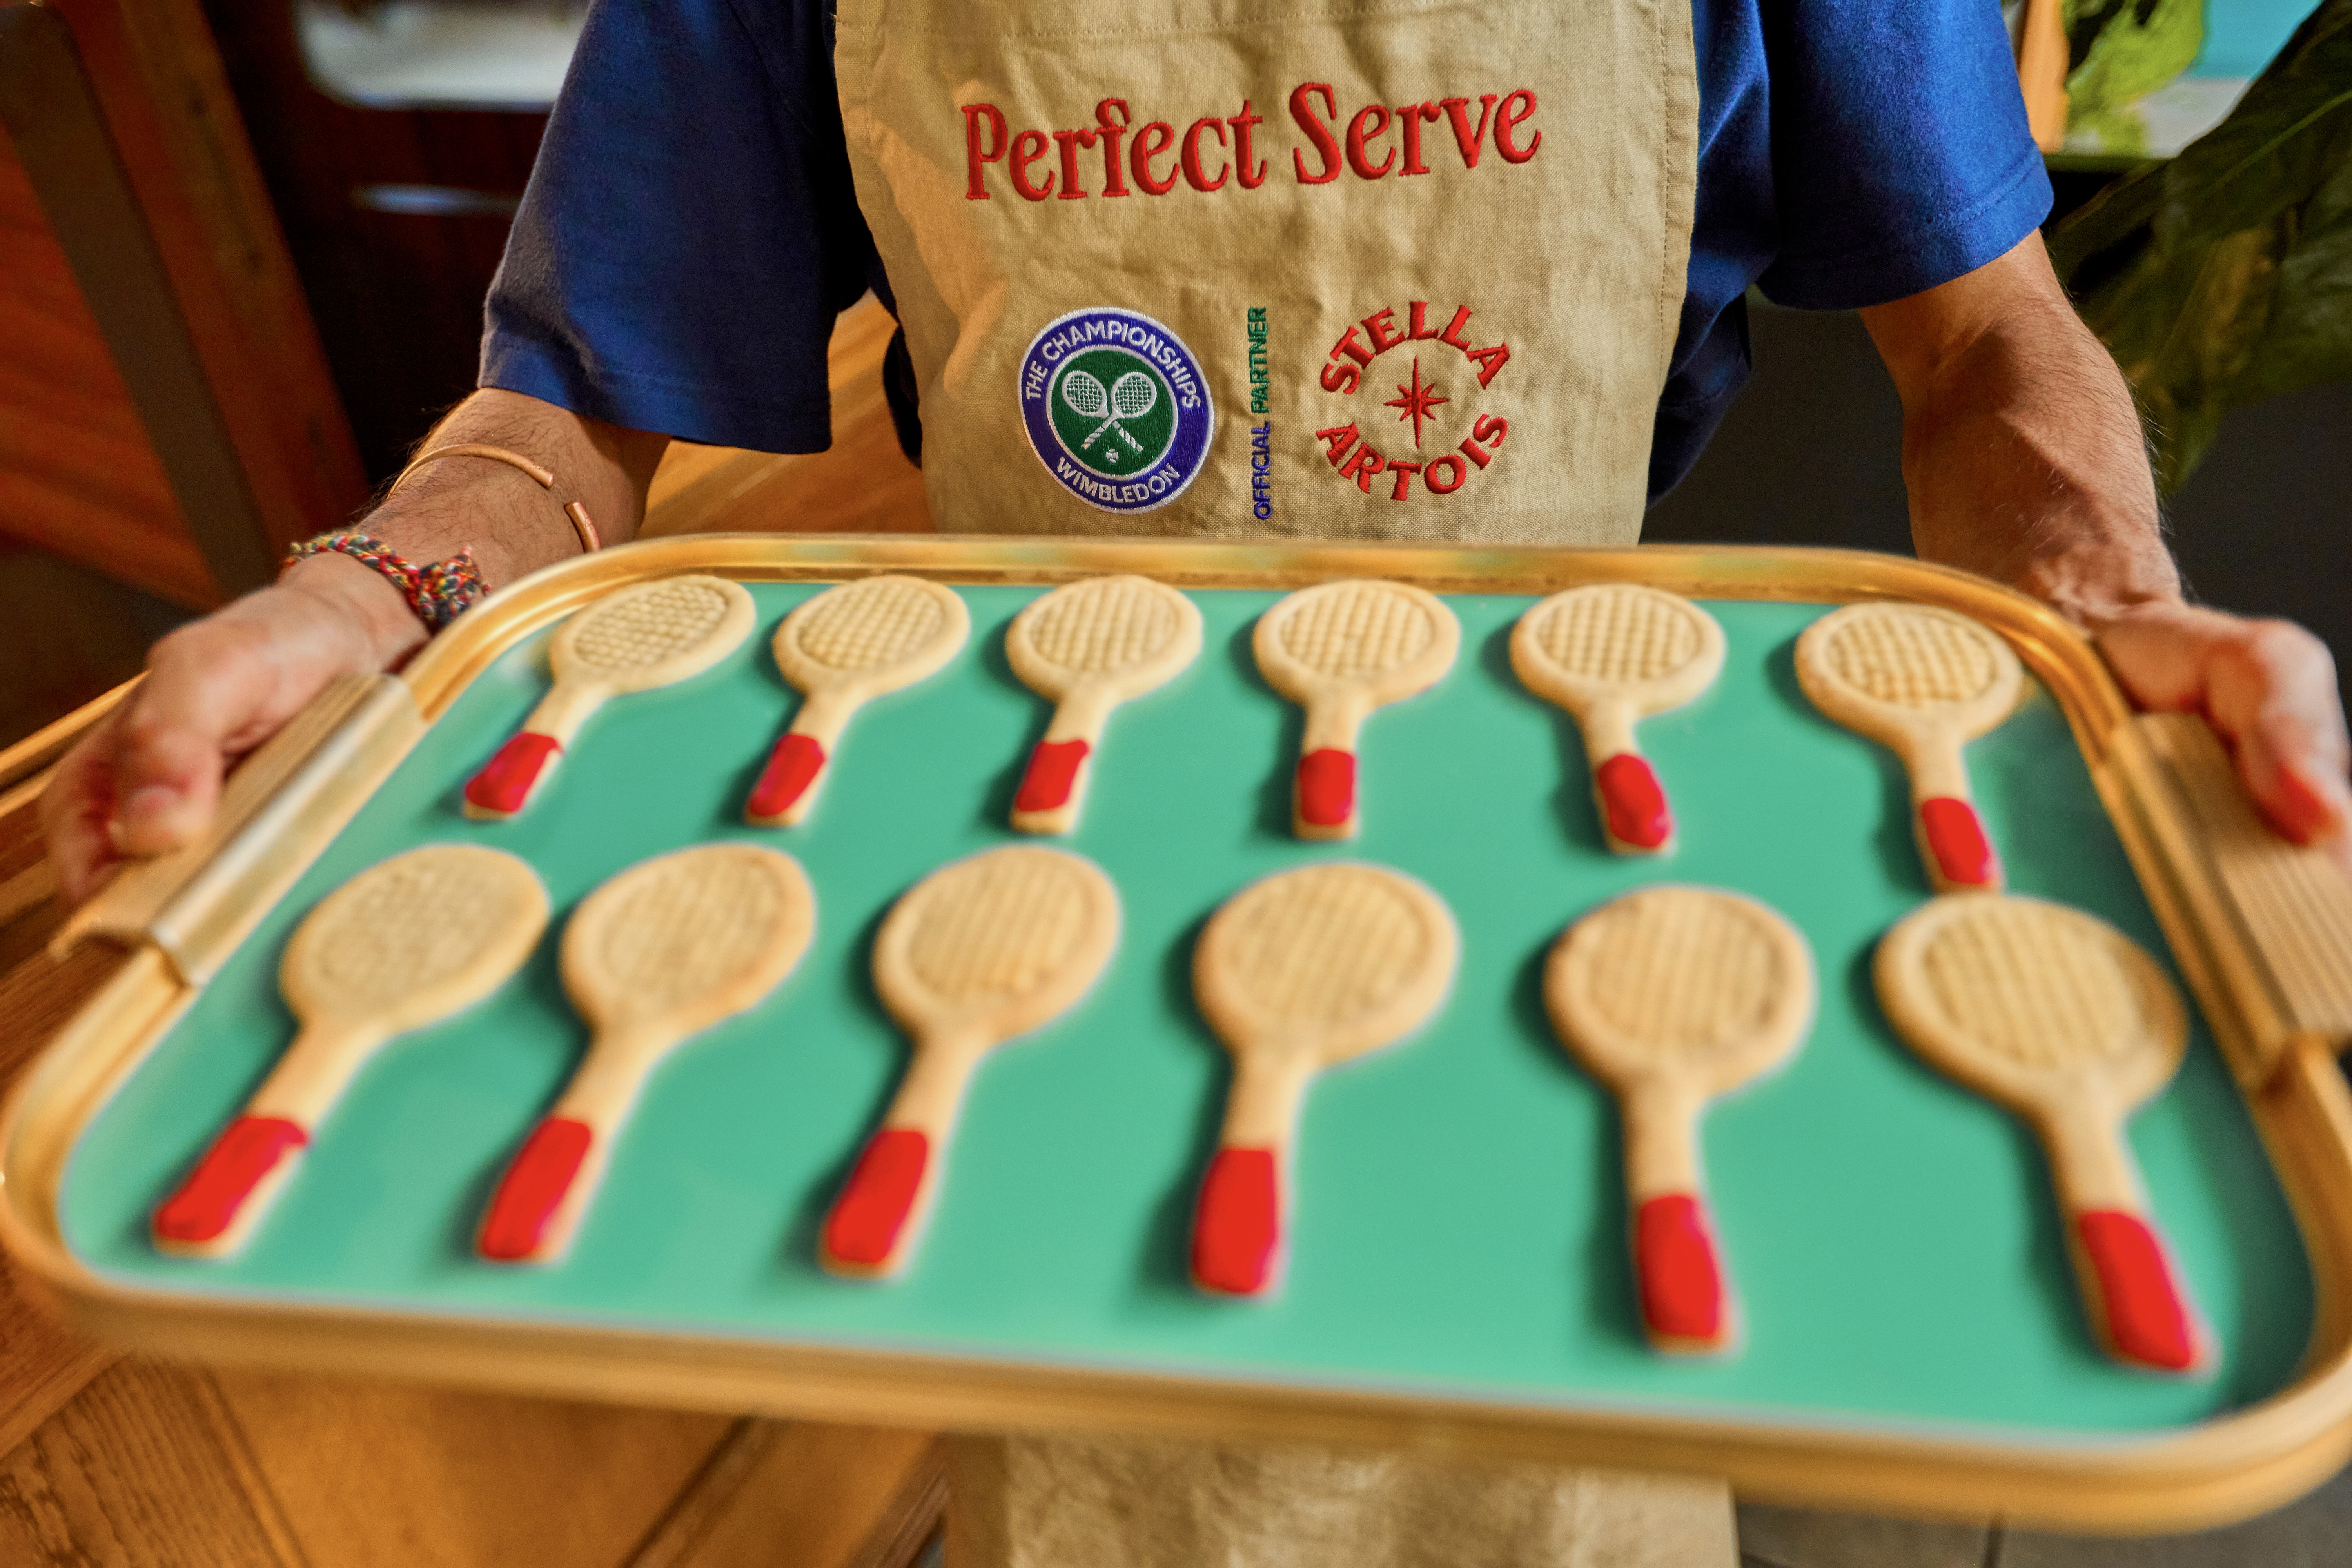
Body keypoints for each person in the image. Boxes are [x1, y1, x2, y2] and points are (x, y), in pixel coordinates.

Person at [33, 2, 2352, 1556]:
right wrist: (381, 589)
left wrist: (2103, 589)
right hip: (1049, 928)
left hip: (1586, 877)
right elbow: (565, 422)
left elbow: (1991, 340)